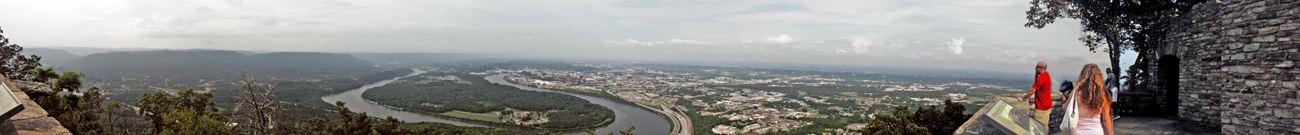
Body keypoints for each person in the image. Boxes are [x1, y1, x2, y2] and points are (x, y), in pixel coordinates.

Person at [1065, 63, 1115, 135]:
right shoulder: (1103, 94)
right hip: (1096, 132)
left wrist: (1064, 100)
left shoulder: (1076, 91)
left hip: (1077, 132)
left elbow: (1066, 108)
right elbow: (1106, 119)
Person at [1019, 61, 1052, 129]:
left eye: (1037, 67)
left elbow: (1032, 91)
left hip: (1041, 107)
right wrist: (1036, 74)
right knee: (1045, 125)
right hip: (1048, 105)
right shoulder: (1047, 75)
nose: (1035, 68)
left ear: (1041, 68)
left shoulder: (1041, 78)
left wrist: (1023, 98)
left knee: (1037, 127)